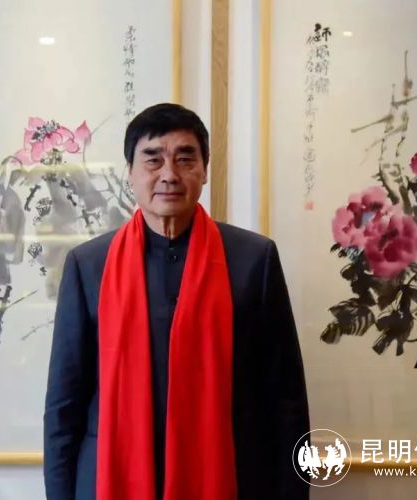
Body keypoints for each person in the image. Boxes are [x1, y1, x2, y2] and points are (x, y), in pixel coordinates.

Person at [43, 103, 309, 500]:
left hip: (231, 476)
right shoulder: (89, 265)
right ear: (130, 172)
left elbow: (286, 401)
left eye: (185, 159)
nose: (169, 174)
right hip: (108, 477)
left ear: (204, 170)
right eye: (153, 159)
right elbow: (64, 404)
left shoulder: (254, 259)